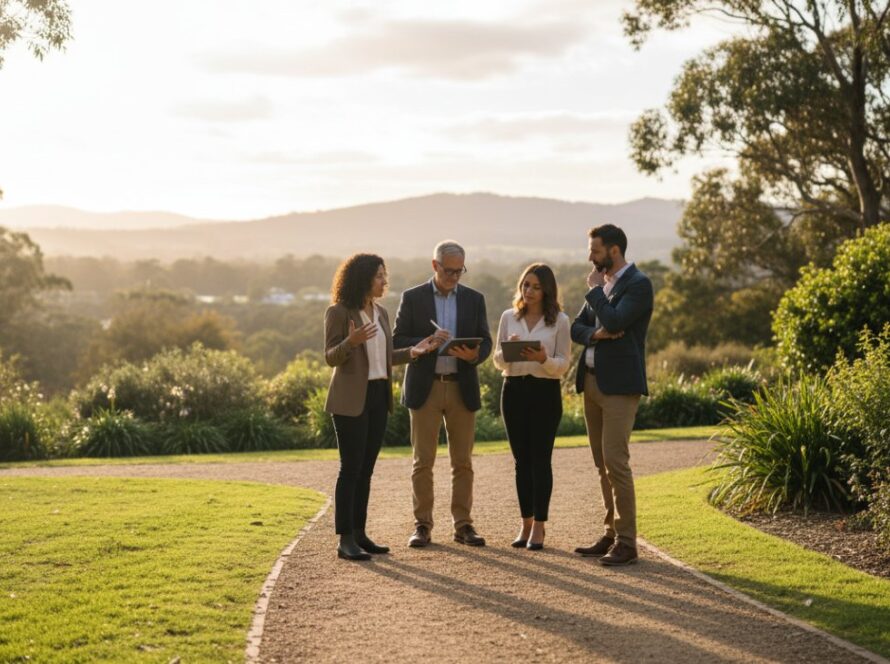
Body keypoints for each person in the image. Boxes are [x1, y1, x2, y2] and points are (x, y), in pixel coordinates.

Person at [324, 253, 439, 561]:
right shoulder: (339, 312)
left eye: (384, 275)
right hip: (350, 399)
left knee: (366, 470)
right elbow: (330, 357)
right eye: (379, 276)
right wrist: (352, 341)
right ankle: (345, 539)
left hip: (377, 395)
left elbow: (384, 357)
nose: (384, 281)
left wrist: (413, 352)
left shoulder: (382, 313)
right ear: (362, 279)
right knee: (350, 469)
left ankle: (360, 534)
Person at [393, 240, 493, 548]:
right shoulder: (412, 297)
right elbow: (398, 339)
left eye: (459, 271)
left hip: (462, 384)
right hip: (426, 386)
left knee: (462, 462)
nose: (454, 276)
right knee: (423, 461)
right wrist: (427, 341)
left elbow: (486, 342)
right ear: (435, 266)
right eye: (449, 270)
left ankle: (463, 525)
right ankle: (422, 525)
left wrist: (472, 356)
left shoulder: (475, 299)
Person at [571, 224, 653, 566]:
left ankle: (627, 542)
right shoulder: (604, 286)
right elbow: (576, 328)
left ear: (614, 251)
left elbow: (617, 321)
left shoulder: (638, 285)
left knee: (616, 461)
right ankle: (610, 532)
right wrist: (598, 335)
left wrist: (595, 294)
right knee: (601, 463)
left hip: (620, 385)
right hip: (591, 382)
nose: (590, 257)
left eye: (595, 250)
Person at [492, 263, 571, 551]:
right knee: (520, 461)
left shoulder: (560, 321)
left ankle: (540, 525)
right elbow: (497, 361)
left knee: (541, 460)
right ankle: (525, 522)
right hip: (513, 390)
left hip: (544, 392)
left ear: (547, 290)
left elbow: (563, 365)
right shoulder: (508, 317)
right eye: (526, 285)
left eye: (536, 286)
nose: (529, 291)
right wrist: (508, 350)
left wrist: (542, 359)